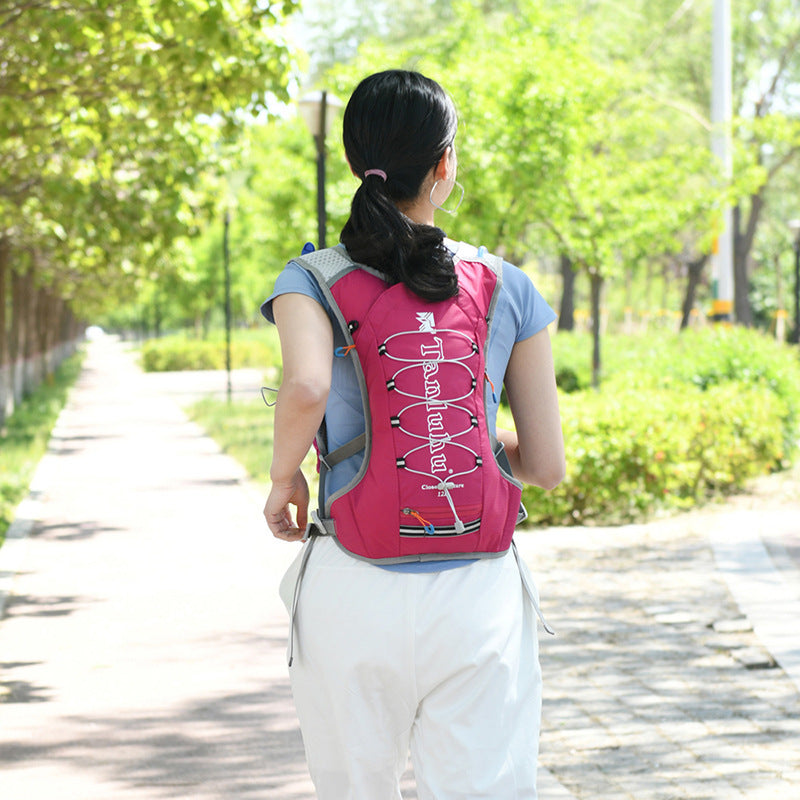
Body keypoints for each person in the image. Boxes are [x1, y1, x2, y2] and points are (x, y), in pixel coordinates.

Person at [261, 69, 565, 800]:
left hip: (351, 580)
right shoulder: (506, 283)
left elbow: (305, 388)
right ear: (444, 165)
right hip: (478, 592)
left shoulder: (311, 278)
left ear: (353, 161)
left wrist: (283, 477)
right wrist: (459, 442)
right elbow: (546, 465)